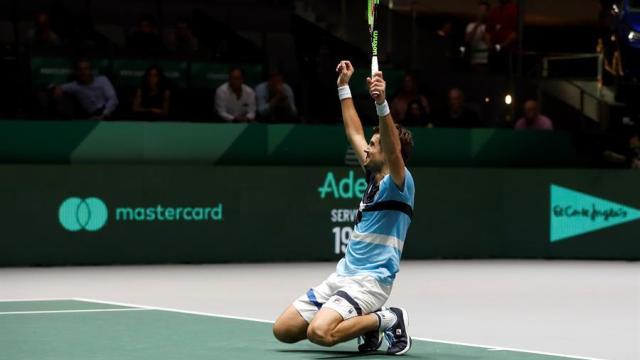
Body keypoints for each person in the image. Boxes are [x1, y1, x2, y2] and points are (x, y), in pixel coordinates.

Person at [272, 60, 415, 355]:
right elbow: (353, 131)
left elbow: (392, 148)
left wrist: (382, 104)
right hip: (343, 277)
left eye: (374, 144)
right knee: (283, 330)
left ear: (388, 151)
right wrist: (343, 87)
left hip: (371, 281)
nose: (366, 147)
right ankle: (364, 325)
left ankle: (386, 319)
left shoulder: (400, 184)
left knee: (319, 333)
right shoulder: (373, 176)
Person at [53, 58, 119, 120]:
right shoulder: (74, 85)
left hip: (109, 112)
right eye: (80, 69)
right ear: (77, 72)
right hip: (92, 116)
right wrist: (57, 90)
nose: (83, 72)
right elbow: (58, 87)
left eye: (86, 69)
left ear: (90, 70)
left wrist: (104, 114)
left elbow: (113, 99)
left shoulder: (102, 80)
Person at [485, 0, 518, 73]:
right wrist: (489, 45)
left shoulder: (515, 9)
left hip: (508, 53)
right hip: (493, 52)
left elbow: (515, 33)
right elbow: (488, 31)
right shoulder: (494, 11)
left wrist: (501, 46)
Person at [465, 1, 490, 68]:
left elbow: (490, 44)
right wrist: (477, 25)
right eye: (480, 9)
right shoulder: (470, 25)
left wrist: (484, 32)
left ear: (487, 12)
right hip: (473, 60)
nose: (481, 12)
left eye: (483, 10)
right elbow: (467, 40)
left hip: (485, 60)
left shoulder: (489, 26)